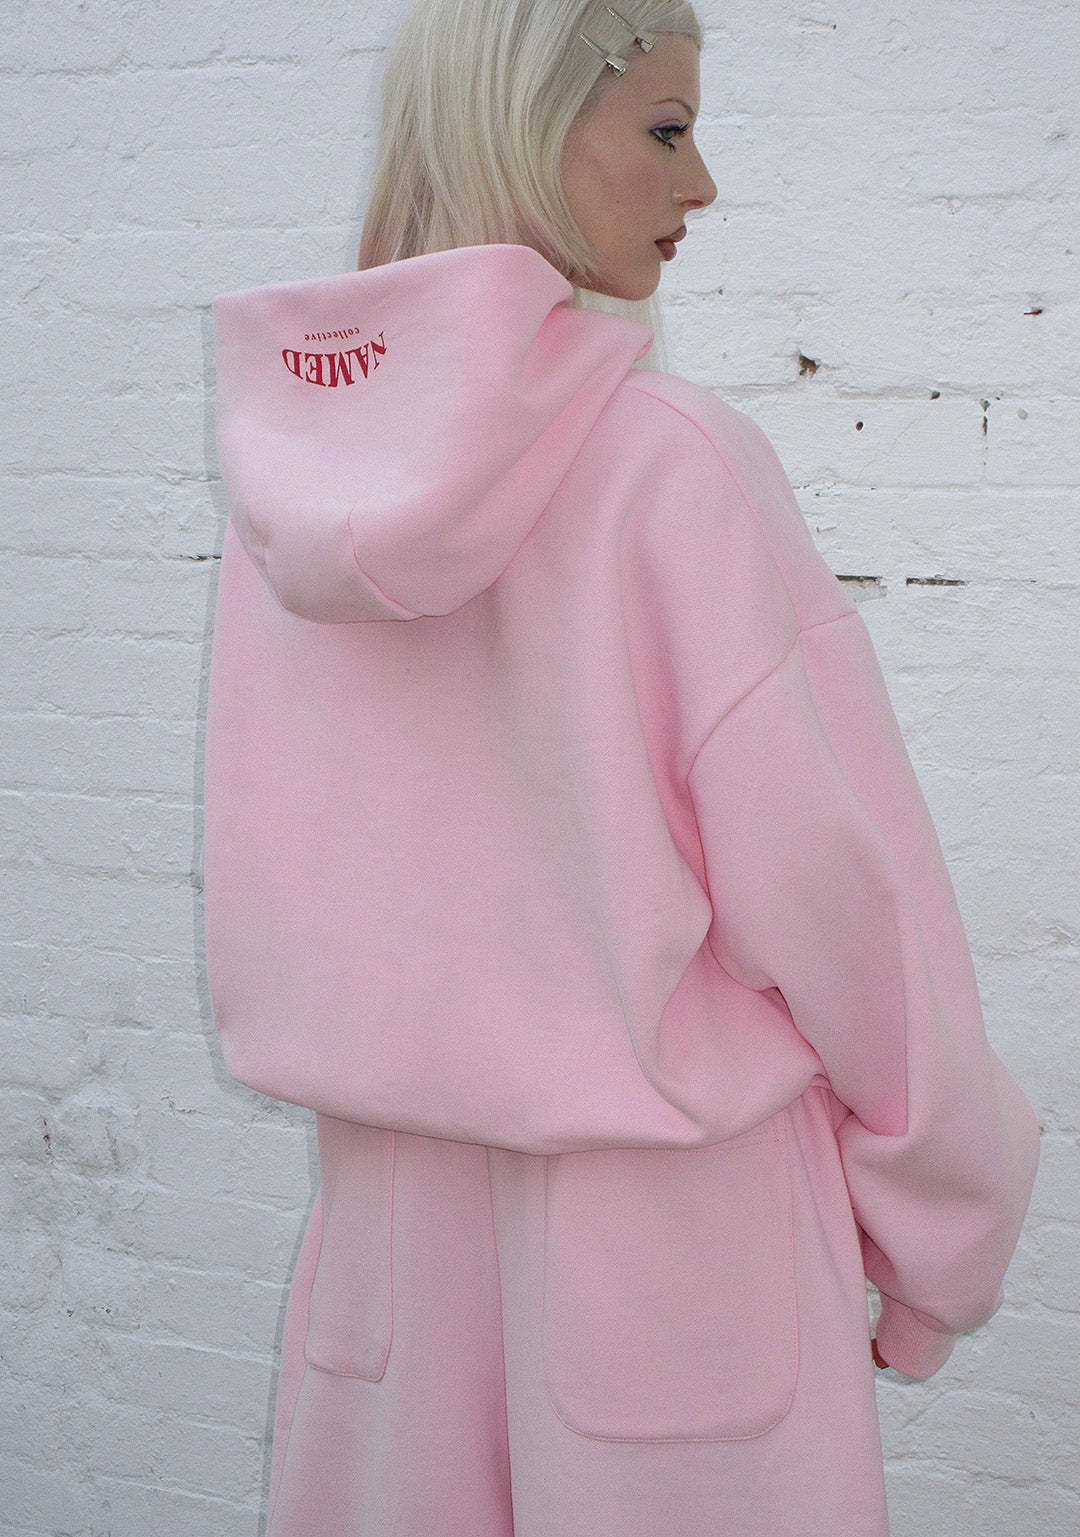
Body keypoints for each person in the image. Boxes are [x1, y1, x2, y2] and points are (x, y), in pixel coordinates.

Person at [200, 3, 1040, 1534]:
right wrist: (944, 1243)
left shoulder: (285, 506)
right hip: (677, 1262)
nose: (701, 183)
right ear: (528, 128)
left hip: (389, 1277)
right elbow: (854, 917)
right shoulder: (672, 465)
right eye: (664, 128)